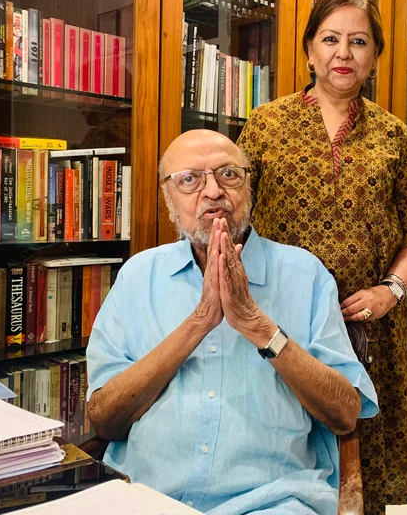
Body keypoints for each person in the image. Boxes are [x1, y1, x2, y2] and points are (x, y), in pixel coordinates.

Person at [85, 129, 378, 515]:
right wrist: (199, 322)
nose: (212, 191)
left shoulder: (305, 275)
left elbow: (345, 414)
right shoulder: (139, 276)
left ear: (248, 188)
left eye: (228, 175)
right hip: (145, 495)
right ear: (168, 196)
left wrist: (259, 327)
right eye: (190, 179)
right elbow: (105, 421)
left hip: (272, 501)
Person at [237, 0, 407, 514]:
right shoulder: (265, 124)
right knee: (280, 456)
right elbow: (233, 212)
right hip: (281, 321)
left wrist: (391, 290)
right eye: (330, 39)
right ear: (309, 50)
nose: (343, 53)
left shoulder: (393, 135)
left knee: (360, 472)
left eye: (358, 41)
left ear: (374, 57)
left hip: (367, 329)